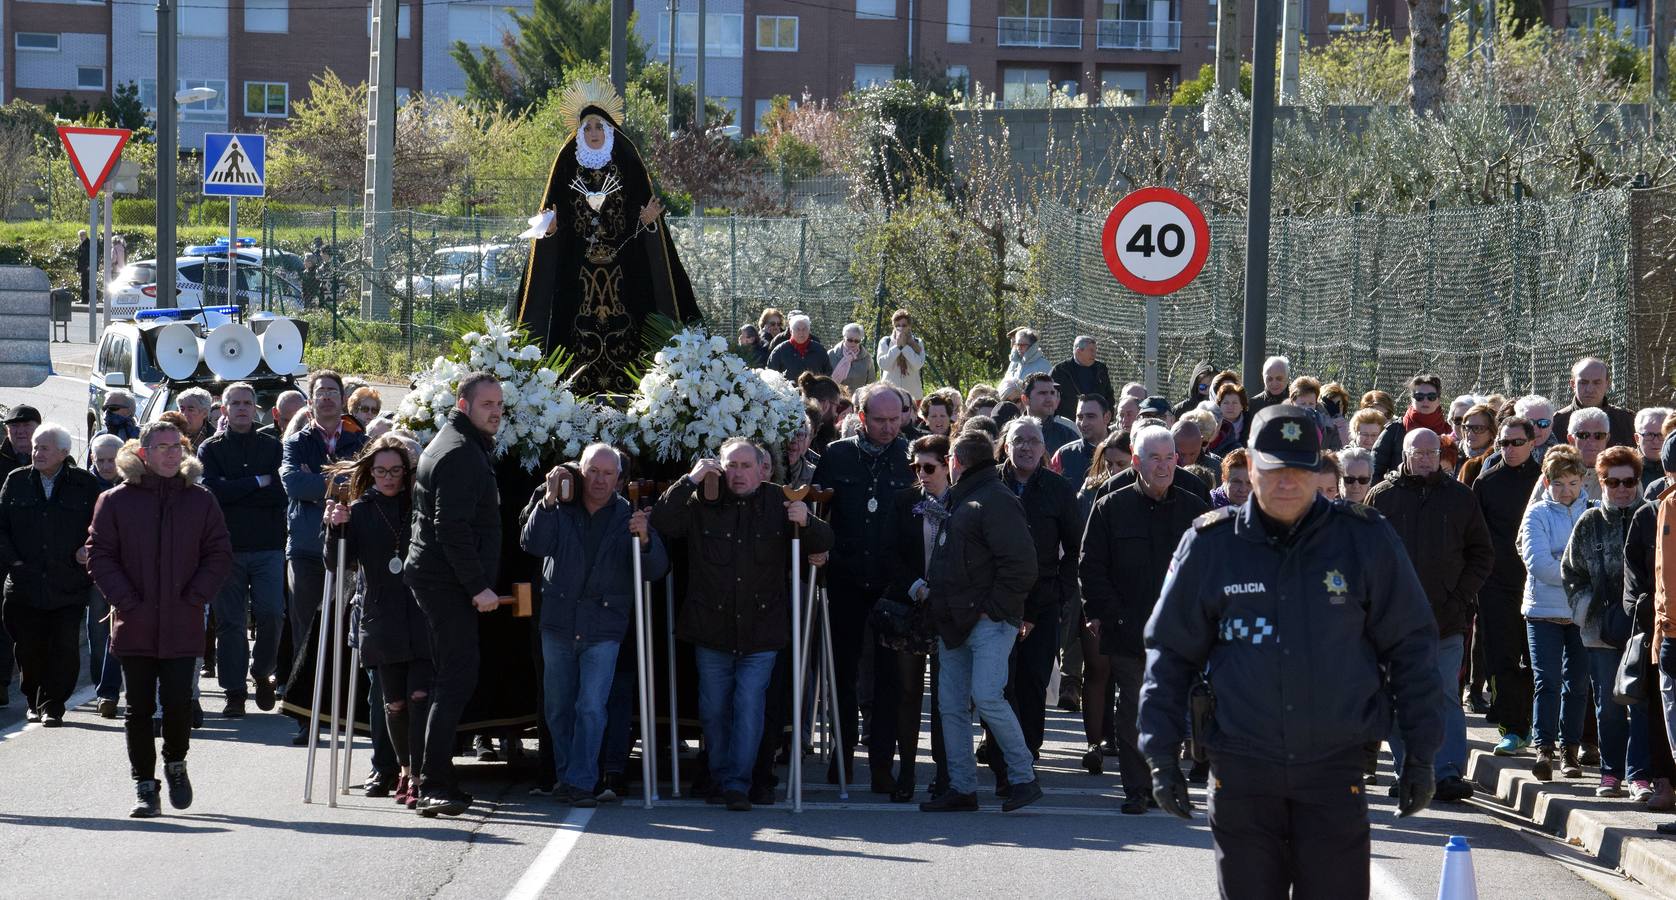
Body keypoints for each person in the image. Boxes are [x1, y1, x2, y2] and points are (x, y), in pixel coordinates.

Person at [1138, 404, 1444, 898]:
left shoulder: (1364, 540)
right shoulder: (1211, 545)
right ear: (1251, 467)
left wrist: (1421, 754)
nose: (1287, 482)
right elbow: (1170, 653)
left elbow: (1412, 646)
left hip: (1333, 768)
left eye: (1300, 470)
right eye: (1274, 469)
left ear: (1320, 470)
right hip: (1242, 768)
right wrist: (1161, 755)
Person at [652, 439, 832, 810]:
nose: (738, 473)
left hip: (761, 628)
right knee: (715, 710)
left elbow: (824, 541)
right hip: (711, 627)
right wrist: (690, 480)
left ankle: (737, 783)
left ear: (762, 468)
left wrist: (807, 522)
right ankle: (720, 777)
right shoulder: (703, 500)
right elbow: (663, 521)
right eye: (731, 465)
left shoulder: (778, 501)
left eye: (745, 465)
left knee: (749, 706)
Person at [516, 77, 702, 393]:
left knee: (628, 331)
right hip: (576, 274)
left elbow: (647, 220)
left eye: (599, 127)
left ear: (609, 130)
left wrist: (648, 223)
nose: (593, 134)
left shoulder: (627, 160)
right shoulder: (565, 162)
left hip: (624, 271)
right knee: (573, 337)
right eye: (587, 128)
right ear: (580, 132)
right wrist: (550, 229)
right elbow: (549, 216)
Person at [87, 422, 233, 817]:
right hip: (134, 621)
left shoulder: (200, 500)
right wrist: (125, 600)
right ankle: (144, 786)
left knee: (178, 702)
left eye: (177, 447)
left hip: (183, 620)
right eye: (162, 447)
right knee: (136, 708)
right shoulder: (116, 501)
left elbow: (219, 553)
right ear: (143, 453)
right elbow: (100, 554)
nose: (171, 453)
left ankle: (176, 763)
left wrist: (196, 596)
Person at [522, 444, 668, 807]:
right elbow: (532, 543)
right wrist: (548, 502)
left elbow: (656, 570)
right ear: (580, 471)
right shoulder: (559, 508)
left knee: (591, 706)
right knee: (558, 707)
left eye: (608, 473)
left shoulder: (629, 516)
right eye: (593, 472)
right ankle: (567, 775)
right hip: (557, 624)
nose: (600, 480)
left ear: (620, 478)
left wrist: (646, 539)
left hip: (604, 628)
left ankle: (581, 781)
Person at [1080, 424, 1207, 813]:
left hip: (1181, 634)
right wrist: (1111, 618)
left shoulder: (1194, 509)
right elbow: (1091, 569)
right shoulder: (1110, 507)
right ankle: (1138, 789)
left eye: (1170, 457)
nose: (1165, 465)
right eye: (1155, 458)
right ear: (1136, 462)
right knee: (1134, 708)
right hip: (1129, 631)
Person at [1363, 426, 1493, 803]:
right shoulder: (1381, 498)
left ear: (1441, 455)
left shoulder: (1460, 498)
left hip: (1445, 620)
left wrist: (1459, 597)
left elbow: (1482, 555)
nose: (1425, 459)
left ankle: (1449, 772)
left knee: (1444, 695)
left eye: (1431, 453)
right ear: (1404, 454)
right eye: (1417, 452)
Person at [918, 430, 1042, 813]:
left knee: (987, 696)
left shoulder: (992, 499)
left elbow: (1022, 565)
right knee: (951, 705)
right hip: (956, 619)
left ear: (956, 461)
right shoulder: (968, 497)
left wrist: (993, 609)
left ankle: (1024, 777)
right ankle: (961, 787)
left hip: (986, 620)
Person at [404, 373, 504, 817]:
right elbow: (451, 528)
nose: (496, 411)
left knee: (449, 677)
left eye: (500, 404)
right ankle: (433, 784)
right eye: (487, 404)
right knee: (454, 679)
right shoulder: (462, 453)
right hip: (447, 583)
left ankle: (434, 777)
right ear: (464, 406)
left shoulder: (455, 441)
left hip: (437, 579)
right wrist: (478, 586)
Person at [812, 383, 917, 789]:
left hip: (892, 585)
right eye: (880, 420)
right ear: (860, 417)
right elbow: (821, 512)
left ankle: (880, 764)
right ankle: (843, 749)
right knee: (843, 671)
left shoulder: (911, 457)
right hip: (845, 578)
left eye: (896, 419)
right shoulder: (838, 456)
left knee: (890, 678)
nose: (889, 427)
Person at [320, 436, 431, 809]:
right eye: (381, 471)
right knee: (395, 703)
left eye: (396, 471)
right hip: (381, 615)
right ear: (370, 472)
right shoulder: (361, 509)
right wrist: (335, 530)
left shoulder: (417, 506)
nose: (388, 478)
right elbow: (339, 563)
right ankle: (401, 768)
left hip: (420, 611)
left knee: (420, 697)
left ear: (405, 472)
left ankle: (418, 772)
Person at [989, 418, 1079, 785]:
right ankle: (999, 761)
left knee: (1032, 680)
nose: (1026, 447)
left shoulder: (1058, 489)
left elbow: (1075, 549)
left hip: (1042, 603)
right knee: (998, 684)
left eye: (1033, 441)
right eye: (1019, 440)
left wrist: (1059, 592)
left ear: (1044, 448)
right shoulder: (990, 482)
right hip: (994, 604)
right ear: (1006, 445)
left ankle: (1026, 754)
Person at [281, 370, 368, 734]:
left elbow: (362, 483)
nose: (327, 398)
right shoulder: (297, 441)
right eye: (320, 392)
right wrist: (337, 483)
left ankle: (342, 709)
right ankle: (307, 715)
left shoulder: (359, 440)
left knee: (342, 628)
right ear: (311, 399)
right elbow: (292, 481)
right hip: (304, 549)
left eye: (333, 391)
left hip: (347, 548)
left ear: (343, 398)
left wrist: (318, 480)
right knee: (306, 628)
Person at [1562, 445, 1650, 798]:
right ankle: (1610, 773)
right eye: (1612, 482)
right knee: (1609, 707)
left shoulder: (1650, 517)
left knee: (1642, 703)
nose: (1621, 489)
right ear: (1601, 484)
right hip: (1600, 631)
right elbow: (1571, 574)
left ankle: (1640, 776)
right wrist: (1588, 612)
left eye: (1628, 481)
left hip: (1643, 630)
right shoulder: (1590, 522)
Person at [197, 382, 287, 718]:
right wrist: (255, 483)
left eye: (248, 403)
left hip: (268, 546)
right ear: (224, 409)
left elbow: (279, 493)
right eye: (235, 403)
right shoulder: (210, 449)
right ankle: (233, 691)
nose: (242, 408)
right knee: (230, 623)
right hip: (226, 548)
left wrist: (238, 489)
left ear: (256, 408)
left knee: (271, 614)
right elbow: (213, 493)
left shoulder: (272, 447)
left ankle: (262, 671)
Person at [0, 424, 100, 727]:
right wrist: (14, 563)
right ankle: (33, 699)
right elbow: (1, 528)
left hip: (67, 583)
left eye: (44, 448)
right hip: (24, 584)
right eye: (35, 447)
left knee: (65, 647)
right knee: (28, 647)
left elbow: (102, 525)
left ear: (64, 453)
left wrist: (87, 550)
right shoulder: (16, 481)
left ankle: (53, 704)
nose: (36, 453)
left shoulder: (85, 484)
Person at [881, 434, 952, 801]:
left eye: (929, 467)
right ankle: (906, 769)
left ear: (947, 464)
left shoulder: (963, 501)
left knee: (946, 696)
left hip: (949, 611)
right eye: (916, 468)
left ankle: (945, 773)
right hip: (909, 609)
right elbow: (889, 552)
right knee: (908, 693)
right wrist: (915, 586)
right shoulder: (904, 501)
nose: (922, 475)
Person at [1518, 444, 1593, 781]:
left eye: (1573, 483)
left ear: (1583, 481)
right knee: (1546, 680)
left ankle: (1570, 750)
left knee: (1577, 684)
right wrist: (1577, 572)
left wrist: (1564, 560)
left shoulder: (1591, 511)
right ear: (1548, 483)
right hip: (1542, 612)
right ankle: (1544, 748)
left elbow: (1599, 563)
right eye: (1559, 483)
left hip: (1581, 614)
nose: (1567, 491)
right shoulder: (1537, 514)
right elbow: (1539, 565)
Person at [1373, 374, 1450, 480]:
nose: (1425, 401)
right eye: (1419, 397)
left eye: (1431, 396)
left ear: (1438, 399)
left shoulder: (1449, 432)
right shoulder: (1394, 430)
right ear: (1411, 399)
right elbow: (1374, 471)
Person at [1553, 357, 1635, 446]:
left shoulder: (1627, 422)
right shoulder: (1555, 424)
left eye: (1597, 383)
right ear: (1573, 385)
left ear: (1607, 384)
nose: (1590, 389)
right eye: (1583, 383)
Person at [1050, 394, 1111, 489]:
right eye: (1080, 417)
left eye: (1091, 416)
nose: (1083, 423)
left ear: (1107, 417)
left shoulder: (1125, 450)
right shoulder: (1063, 455)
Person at [1051, 336, 1114, 418]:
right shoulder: (1060, 370)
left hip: (1097, 423)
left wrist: (1108, 416)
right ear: (1078, 351)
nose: (1094, 354)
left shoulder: (1101, 369)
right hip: (1068, 423)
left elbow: (1109, 395)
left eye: (1095, 351)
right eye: (1091, 350)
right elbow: (1051, 396)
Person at [767, 314, 833, 382]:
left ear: (809, 331)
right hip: (787, 392)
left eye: (804, 329)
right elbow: (771, 377)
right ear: (791, 331)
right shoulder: (779, 352)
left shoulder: (820, 351)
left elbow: (828, 375)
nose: (801, 333)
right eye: (797, 329)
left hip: (814, 392)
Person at [91, 391, 141, 466]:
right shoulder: (99, 438)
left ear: (128, 411)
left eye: (113, 408)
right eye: (105, 408)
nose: (107, 412)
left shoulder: (140, 437)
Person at [1454, 402, 1499, 485]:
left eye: (1478, 428)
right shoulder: (1454, 455)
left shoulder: (1496, 461)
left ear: (1492, 432)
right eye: (1466, 427)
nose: (1470, 433)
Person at [827, 323, 873, 393]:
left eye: (857, 341)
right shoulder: (831, 354)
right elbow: (824, 378)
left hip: (858, 399)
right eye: (850, 340)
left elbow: (871, 383)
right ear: (844, 338)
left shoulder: (867, 358)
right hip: (834, 397)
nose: (853, 343)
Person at [1245, 355, 1290, 422]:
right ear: (1263, 378)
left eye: (1279, 379)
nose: (1274, 383)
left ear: (1287, 378)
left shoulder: (1296, 401)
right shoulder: (1255, 403)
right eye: (1269, 379)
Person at [1208, 382, 1247, 454]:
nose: (1230, 407)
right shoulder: (1212, 425)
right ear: (1219, 405)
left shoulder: (1251, 424)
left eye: (1234, 403)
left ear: (1242, 406)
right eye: (1226, 403)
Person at [1637, 408, 1670, 493]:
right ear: (1637, 438)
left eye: (1661, 435)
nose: (1655, 441)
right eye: (1649, 435)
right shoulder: (1624, 469)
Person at [1, 405, 41, 474]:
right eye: (14, 425)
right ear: (7, 429)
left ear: (39, 429)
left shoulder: (52, 458)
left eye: (27, 425)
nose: (20, 431)